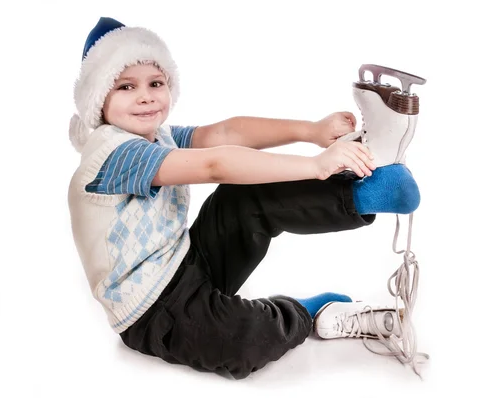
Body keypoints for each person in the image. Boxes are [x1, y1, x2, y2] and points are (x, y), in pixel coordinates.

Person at [67, 17, 421, 380]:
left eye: (155, 83)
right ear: (99, 101)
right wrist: (316, 165)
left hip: (189, 261)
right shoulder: (112, 154)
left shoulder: (159, 136)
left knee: (244, 196)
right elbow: (213, 165)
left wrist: (311, 131)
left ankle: (369, 189)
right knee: (241, 341)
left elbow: (225, 133)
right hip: (152, 312)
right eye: (126, 86)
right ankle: (307, 314)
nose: (145, 96)